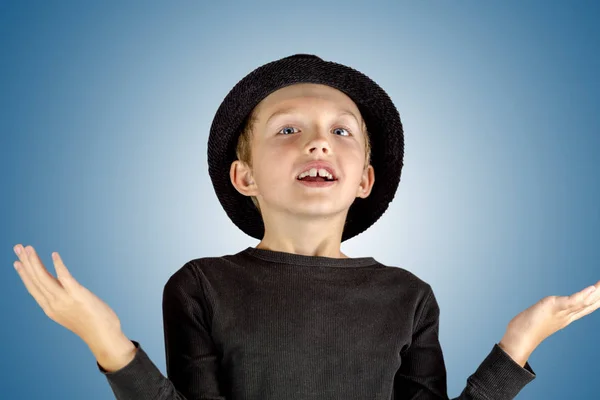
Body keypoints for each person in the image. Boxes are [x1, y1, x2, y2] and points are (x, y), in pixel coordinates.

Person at [12, 54, 600, 400]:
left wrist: (518, 344)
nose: (318, 139)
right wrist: (106, 342)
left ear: (365, 179)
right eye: (288, 130)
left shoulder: (409, 296)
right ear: (244, 177)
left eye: (341, 131)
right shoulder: (199, 286)